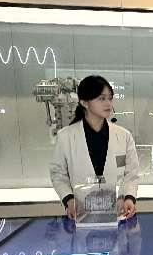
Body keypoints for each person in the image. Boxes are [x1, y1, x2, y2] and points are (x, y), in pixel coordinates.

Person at [50, 75, 140, 220]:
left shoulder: (124, 136)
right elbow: (58, 173)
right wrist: (68, 200)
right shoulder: (66, 137)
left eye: (110, 98)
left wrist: (130, 197)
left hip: (117, 214)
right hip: (81, 214)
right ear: (84, 102)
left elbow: (132, 173)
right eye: (101, 98)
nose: (108, 103)